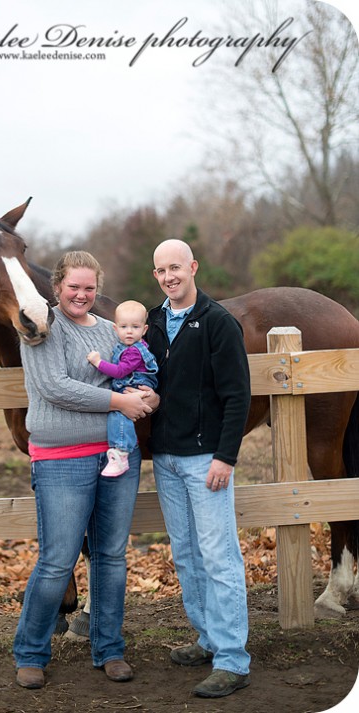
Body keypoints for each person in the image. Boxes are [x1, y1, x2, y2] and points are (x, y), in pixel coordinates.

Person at [13, 251, 158, 689]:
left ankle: (109, 648)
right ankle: (31, 652)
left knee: (111, 557)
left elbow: (137, 379)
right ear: (57, 287)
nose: (81, 294)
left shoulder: (116, 332)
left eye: (89, 287)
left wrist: (148, 398)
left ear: (98, 289)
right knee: (57, 561)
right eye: (73, 286)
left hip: (117, 455)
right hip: (62, 459)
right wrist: (120, 402)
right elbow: (54, 388)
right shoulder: (42, 329)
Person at [146, 238, 251, 699]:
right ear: (156, 276)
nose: (170, 276)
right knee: (186, 554)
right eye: (161, 271)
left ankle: (233, 659)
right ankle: (208, 638)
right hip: (166, 460)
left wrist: (225, 457)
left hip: (205, 460)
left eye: (176, 267)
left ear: (193, 267)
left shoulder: (217, 322)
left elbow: (237, 396)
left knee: (219, 556)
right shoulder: (152, 322)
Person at [87, 299, 158, 477]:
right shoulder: (125, 346)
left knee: (119, 414)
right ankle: (120, 449)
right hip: (129, 384)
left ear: (144, 330)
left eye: (135, 327)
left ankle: (121, 452)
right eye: (124, 327)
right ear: (115, 329)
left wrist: (98, 362)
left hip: (135, 385)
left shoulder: (134, 351)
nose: (129, 331)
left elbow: (119, 372)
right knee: (116, 412)